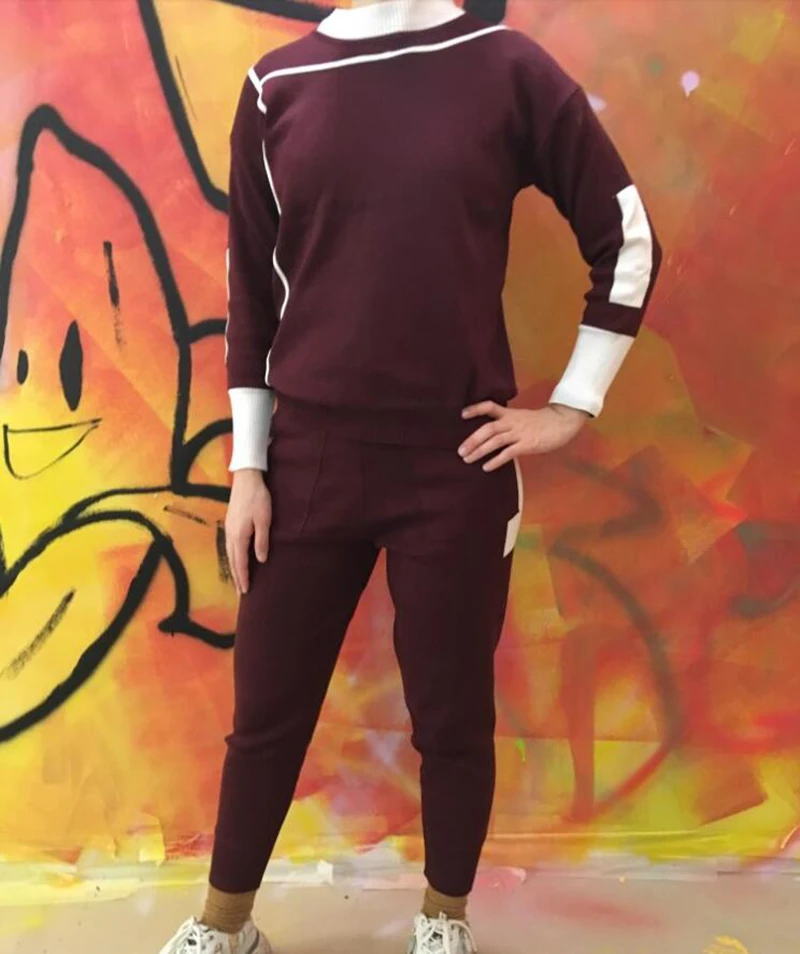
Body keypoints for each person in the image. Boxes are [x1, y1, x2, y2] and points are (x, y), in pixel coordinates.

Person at [159, 0, 661, 951]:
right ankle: (224, 925)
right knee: (266, 714)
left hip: (456, 461)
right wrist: (249, 467)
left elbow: (628, 239)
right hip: (306, 461)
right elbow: (251, 290)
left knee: (452, 718)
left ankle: (443, 920)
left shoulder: (505, 68)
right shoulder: (278, 86)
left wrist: (573, 404)